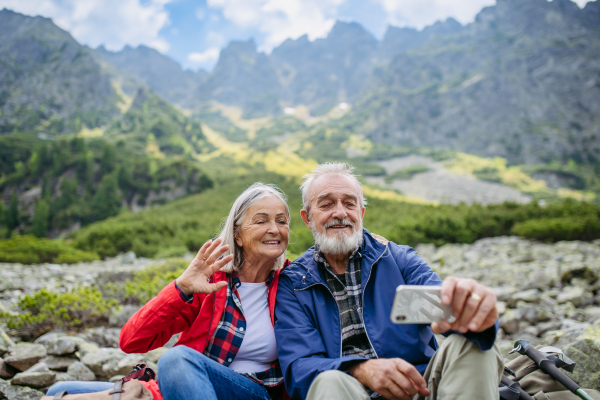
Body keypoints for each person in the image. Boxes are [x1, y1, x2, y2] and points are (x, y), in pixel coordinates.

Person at [274, 162, 503, 400]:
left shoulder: (399, 261)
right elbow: (299, 368)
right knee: (329, 380)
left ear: (361, 214)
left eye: (350, 203)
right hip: (347, 391)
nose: (340, 213)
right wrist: (360, 369)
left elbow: (446, 309)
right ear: (308, 218)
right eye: (326, 204)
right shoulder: (295, 283)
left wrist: (473, 311)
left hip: (419, 388)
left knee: (475, 343)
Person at [47, 183, 292, 400]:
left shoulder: (294, 283)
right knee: (60, 389)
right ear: (237, 235)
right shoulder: (213, 285)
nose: (274, 229)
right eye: (261, 221)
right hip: (189, 386)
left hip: (253, 392)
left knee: (176, 360)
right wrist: (180, 288)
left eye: (281, 221)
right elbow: (131, 340)